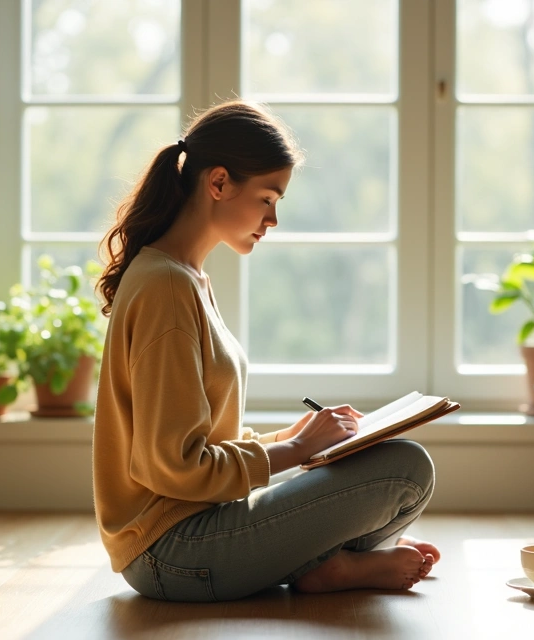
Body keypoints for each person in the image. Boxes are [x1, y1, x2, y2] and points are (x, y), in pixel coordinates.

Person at [93, 100, 440, 603]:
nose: (273, 218)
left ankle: (328, 564)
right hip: (171, 552)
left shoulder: (185, 279)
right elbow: (170, 467)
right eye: (267, 198)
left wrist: (295, 436)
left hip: (192, 532)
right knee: (406, 470)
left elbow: (204, 438)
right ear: (218, 184)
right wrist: (295, 452)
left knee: (397, 461)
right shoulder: (165, 287)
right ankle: (326, 565)